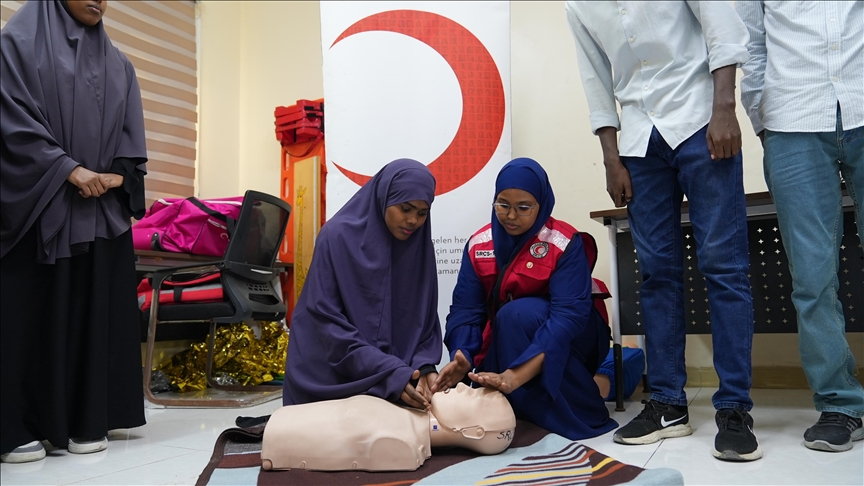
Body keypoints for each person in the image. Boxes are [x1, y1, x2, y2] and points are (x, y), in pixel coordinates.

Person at [565, 1, 761, 461]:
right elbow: (595, 77)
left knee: (724, 268)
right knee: (656, 275)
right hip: (639, 140)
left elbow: (721, 25)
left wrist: (725, 108)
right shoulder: (577, 5)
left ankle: (734, 408)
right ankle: (669, 404)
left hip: (701, 119)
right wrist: (611, 158)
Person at [0, 0, 147, 464]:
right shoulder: (15, 45)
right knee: (30, 314)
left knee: (91, 309)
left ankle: (87, 418)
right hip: (37, 205)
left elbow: (130, 138)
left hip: (99, 212)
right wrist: (66, 169)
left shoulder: (119, 64)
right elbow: (10, 121)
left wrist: (121, 174)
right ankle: (16, 427)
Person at [737, 1, 864, 453]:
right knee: (812, 278)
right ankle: (840, 404)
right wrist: (763, 122)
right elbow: (751, 45)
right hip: (792, 119)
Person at [431, 157, 617, 441]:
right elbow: (465, 310)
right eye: (503, 205)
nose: (511, 216)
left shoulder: (563, 242)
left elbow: (568, 318)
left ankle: (556, 404)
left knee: (517, 314)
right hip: (510, 337)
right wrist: (463, 354)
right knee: (504, 336)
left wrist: (515, 376)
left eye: (523, 207)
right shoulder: (479, 246)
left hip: (576, 336)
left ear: (542, 204)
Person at [283, 159, 442, 411]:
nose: (413, 220)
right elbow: (326, 324)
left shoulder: (420, 248)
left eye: (422, 213)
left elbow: (425, 322)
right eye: (405, 208)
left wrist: (424, 367)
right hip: (332, 378)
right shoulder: (336, 237)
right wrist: (390, 372)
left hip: (397, 379)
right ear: (384, 197)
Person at [262, 383, 516, 471]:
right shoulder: (405, 420)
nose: (461, 386)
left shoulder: (400, 444)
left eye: (473, 395)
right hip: (282, 423)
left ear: (474, 432)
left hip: (278, 437)